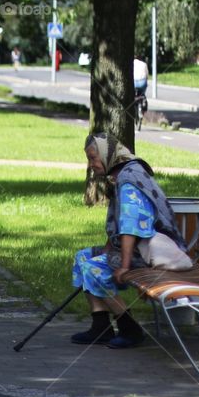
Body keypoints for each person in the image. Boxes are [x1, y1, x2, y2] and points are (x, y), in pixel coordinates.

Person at [70, 133, 187, 348]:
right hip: (137, 249)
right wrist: (107, 248)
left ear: (107, 155)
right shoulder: (123, 173)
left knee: (93, 269)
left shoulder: (129, 182)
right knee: (83, 258)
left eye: (93, 158)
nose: (91, 164)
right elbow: (119, 223)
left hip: (149, 256)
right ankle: (101, 327)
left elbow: (131, 228)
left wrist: (124, 267)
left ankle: (131, 330)